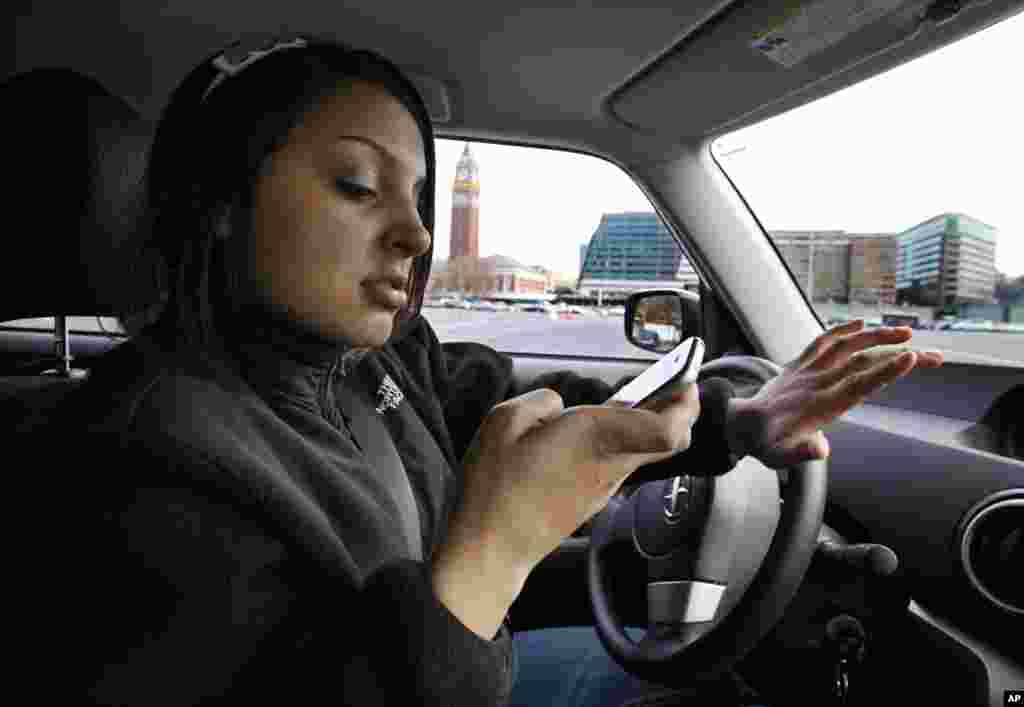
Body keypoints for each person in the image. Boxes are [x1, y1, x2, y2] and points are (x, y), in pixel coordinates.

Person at [18, 35, 942, 706]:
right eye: (355, 184)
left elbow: (553, 407)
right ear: (220, 204)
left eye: (418, 198)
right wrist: (492, 549)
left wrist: (734, 424)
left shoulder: (379, 362)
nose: (416, 235)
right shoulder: (135, 464)